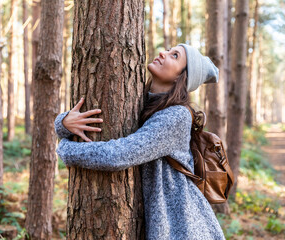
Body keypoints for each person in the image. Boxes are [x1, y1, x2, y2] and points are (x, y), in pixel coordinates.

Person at [54, 43, 225, 240]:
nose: (162, 52)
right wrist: (64, 123)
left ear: (181, 76)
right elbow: (74, 124)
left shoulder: (176, 116)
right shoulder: (140, 101)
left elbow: (120, 155)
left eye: (174, 56)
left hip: (183, 225)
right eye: (169, 50)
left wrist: (66, 148)